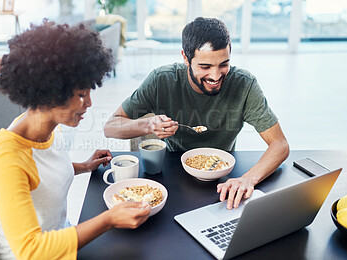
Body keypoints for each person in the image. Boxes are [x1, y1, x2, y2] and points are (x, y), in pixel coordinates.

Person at [0, 20, 150, 260]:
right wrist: (108, 220)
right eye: (82, 95)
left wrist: (83, 166)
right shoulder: (7, 157)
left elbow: (39, 177)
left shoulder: (46, 128)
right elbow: (31, 250)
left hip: (64, 242)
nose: (89, 103)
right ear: (51, 93)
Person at [104, 17, 289, 209]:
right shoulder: (162, 80)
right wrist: (147, 125)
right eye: (205, 67)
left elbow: (280, 144)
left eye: (223, 64)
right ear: (185, 57)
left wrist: (248, 179)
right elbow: (110, 127)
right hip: (173, 178)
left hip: (225, 180)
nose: (216, 76)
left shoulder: (244, 84)